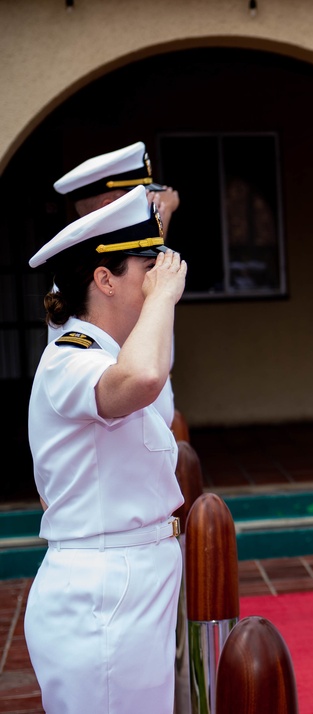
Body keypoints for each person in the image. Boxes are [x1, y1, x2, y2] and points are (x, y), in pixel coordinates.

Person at [24, 185, 188, 714]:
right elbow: (141, 378)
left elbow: (151, 369)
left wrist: (156, 295)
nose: (161, 278)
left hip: (130, 574)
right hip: (104, 587)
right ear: (104, 279)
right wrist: (162, 297)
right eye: (149, 266)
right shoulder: (69, 359)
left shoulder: (112, 351)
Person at [52, 142, 181, 427]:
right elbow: (141, 373)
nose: (155, 205)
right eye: (146, 198)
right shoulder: (83, 287)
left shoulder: (110, 274)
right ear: (104, 280)